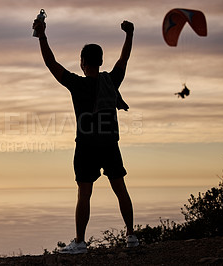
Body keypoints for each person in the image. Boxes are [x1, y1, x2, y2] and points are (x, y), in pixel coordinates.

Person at [32, 17, 139, 253]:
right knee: (121, 189)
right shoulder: (112, 80)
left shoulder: (77, 84)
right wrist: (129, 34)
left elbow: (52, 64)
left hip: (86, 147)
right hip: (110, 144)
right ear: (100, 62)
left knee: (84, 193)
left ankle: (80, 242)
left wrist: (42, 36)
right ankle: (131, 235)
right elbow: (124, 59)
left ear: (82, 63)